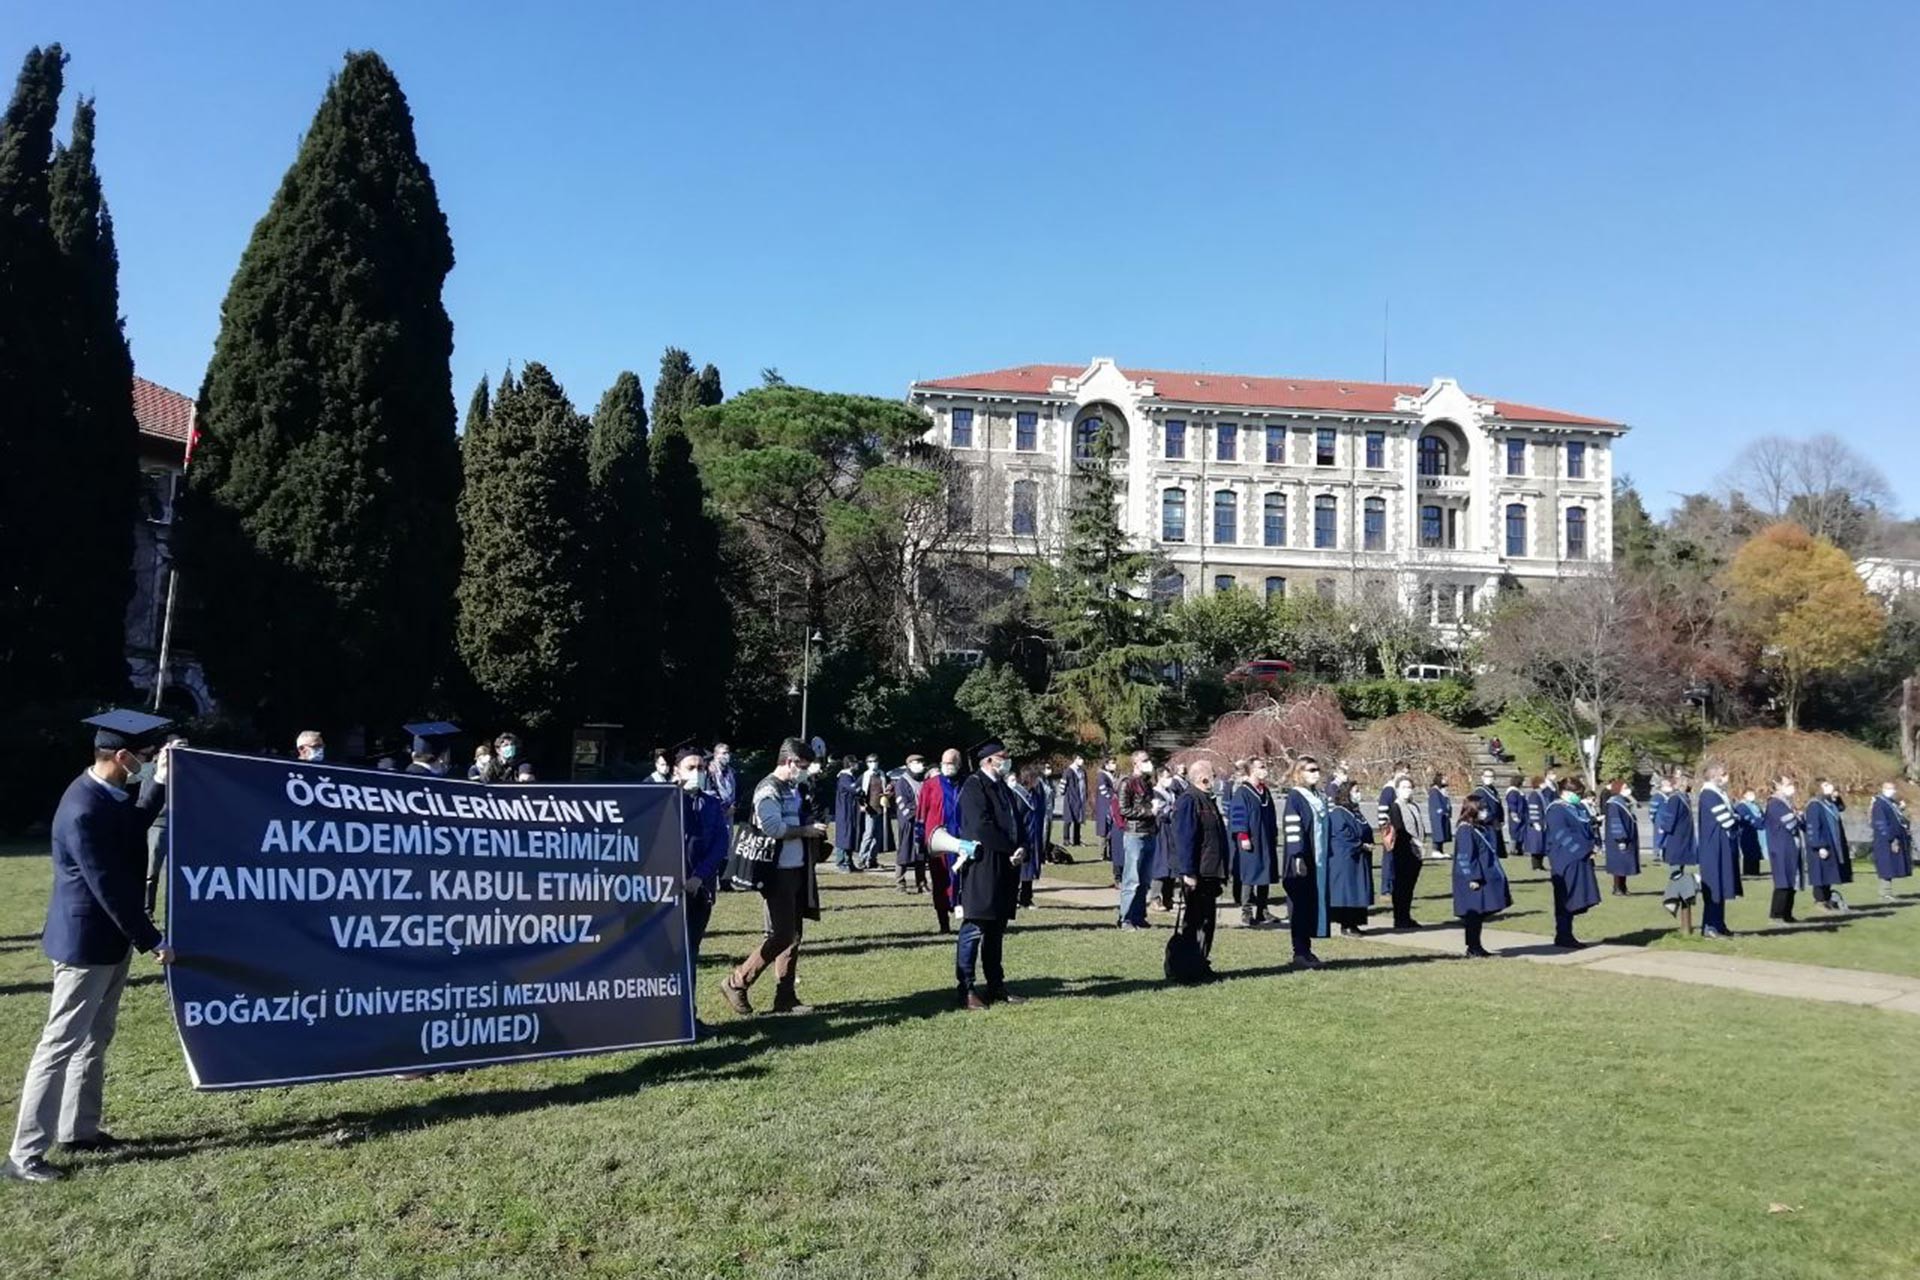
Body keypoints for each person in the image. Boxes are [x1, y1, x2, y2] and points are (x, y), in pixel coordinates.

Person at [6, 710, 177, 1184]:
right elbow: (109, 889)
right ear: (120, 757)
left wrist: (159, 780)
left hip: (110, 940)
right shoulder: (83, 808)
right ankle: (24, 1154)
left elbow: (134, 821)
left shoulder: (108, 794)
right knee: (59, 1044)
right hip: (86, 944)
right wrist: (153, 940)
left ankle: (79, 1129)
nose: (145, 763)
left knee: (96, 1036)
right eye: (143, 758)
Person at [718, 739, 826, 1017]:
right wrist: (806, 830)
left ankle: (785, 996)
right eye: (802, 766)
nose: (804, 771)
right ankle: (737, 981)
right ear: (789, 762)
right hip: (776, 873)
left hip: (796, 869)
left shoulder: (793, 788)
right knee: (781, 935)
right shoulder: (768, 789)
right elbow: (773, 828)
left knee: (794, 935)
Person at [954, 739, 1026, 1009]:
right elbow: (981, 826)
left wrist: (1022, 847)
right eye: (1002, 757)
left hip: (1007, 864)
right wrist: (1009, 848)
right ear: (988, 761)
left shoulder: (1003, 787)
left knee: (996, 929)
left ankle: (996, 984)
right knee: (975, 927)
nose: (1006, 761)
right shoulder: (974, 786)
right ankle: (967, 988)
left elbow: (1016, 820)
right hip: (983, 864)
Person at [672, 744, 730, 992]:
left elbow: (720, 844)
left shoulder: (711, 804)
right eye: (691, 768)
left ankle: (690, 1014)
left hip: (700, 889)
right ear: (677, 771)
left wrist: (699, 877)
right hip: (670, 890)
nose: (697, 772)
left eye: (701, 768)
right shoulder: (665, 802)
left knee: (691, 951)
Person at [1169, 758, 1230, 967]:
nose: (1216, 779)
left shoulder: (1207, 800)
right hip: (1199, 872)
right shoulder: (1189, 800)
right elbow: (1184, 838)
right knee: (1195, 921)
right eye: (1214, 775)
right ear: (1203, 777)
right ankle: (1188, 964)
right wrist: (1188, 872)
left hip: (1211, 872)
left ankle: (1200, 963)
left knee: (1207, 922)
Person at [1279, 756, 1332, 967]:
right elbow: (1292, 827)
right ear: (1299, 772)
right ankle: (1299, 951)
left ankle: (1307, 949)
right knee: (1300, 904)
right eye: (1311, 770)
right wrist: (1297, 855)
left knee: (1311, 903)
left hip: (1317, 859)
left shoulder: (1318, 795)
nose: (1316, 773)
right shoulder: (1296, 796)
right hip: (1300, 859)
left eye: (1317, 769)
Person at [1544, 778, 1602, 948]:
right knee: (1565, 898)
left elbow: (1584, 827)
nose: (1579, 797)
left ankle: (1567, 933)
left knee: (1576, 896)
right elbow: (1562, 835)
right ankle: (1563, 934)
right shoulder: (1556, 810)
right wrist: (1584, 849)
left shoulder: (1575, 808)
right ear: (1566, 793)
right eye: (1577, 794)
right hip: (1565, 858)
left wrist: (1593, 845)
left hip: (1579, 858)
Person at [1452, 794, 1511, 958]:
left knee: (1481, 912)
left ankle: (1476, 945)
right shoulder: (1465, 830)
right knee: (1474, 914)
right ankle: (1472, 947)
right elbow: (1465, 856)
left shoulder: (1476, 828)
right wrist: (1473, 877)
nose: (1485, 812)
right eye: (1482, 808)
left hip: (1483, 876)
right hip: (1472, 879)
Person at [915, 748, 964, 931]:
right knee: (940, 881)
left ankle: (965, 918)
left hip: (960, 842)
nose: (946, 767)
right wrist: (920, 839)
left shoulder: (966, 784)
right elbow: (921, 814)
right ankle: (944, 923)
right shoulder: (931, 785)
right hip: (938, 843)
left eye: (950, 763)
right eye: (944, 763)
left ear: (958, 764)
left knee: (962, 880)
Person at [140, 730, 188, 914]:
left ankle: (178, 913)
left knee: (181, 874)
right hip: (158, 824)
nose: (183, 750)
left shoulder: (190, 771)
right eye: (178, 746)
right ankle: (146, 911)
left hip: (182, 826)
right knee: (151, 872)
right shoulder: (151, 769)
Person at [1228, 757, 1279, 928]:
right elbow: (1238, 815)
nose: (1264, 770)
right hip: (1250, 838)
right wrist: (1243, 836)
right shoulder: (1242, 792)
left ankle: (1262, 910)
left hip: (1265, 838)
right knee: (1250, 874)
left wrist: (1274, 834)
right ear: (1251, 770)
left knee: (1265, 872)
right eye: (1261, 767)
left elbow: (1271, 815)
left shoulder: (1265, 791)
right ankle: (1246, 911)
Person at [1694, 760, 1742, 937]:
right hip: (1713, 847)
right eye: (1724, 774)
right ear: (1715, 776)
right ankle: (1709, 926)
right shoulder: (1709, 794)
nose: (1726, 777)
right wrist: (1736, 818)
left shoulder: (1718, 794)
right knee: (1713, 887)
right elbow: (1728, 820)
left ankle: (1719, 923)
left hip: (1721, 845)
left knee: (1721, 886)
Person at [1116, 750, 1160, 930]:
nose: (1148, 763)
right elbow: (1124, 810)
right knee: (1131, 879)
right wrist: (1149, 812)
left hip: (1149, 833)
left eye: (1149, 760)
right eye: (1144, 760)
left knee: (1144, 880)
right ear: (1135, 763)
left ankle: (1139, 915)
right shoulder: (1127, 783)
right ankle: (1125, 918)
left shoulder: (1147, 784)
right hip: (1134, 834)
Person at [1326, 781, 1374, 937]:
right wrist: (1361, 845)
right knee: (1347, 892)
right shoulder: (1338, 813)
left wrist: (1369, 842)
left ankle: (1355, 923)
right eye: (1355, 791)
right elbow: (1343, 835)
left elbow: (1365, 829)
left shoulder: (1356, 811)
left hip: (1359, 858)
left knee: (1358, 890)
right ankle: (1346, 925)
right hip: (1345, 859)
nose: (1358, 794)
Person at [1804, 779, 1853, 912]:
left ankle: (1827, 899)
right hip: (1821, 844)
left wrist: (1837, 797)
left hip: (1833, 843)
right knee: (1820, 874)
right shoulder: (1814, 805)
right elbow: (1813, 827)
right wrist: (1819, 846)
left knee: (1828, 874)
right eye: (1825, 785)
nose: (1830, 787)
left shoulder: (1829, 802)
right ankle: (1819, 900)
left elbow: (1841, 808)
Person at [1385, 774, 1426, 929]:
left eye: (1409, 787)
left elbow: (1419, 825)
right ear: (1397, 790)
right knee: (1401, 886)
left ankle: (1406, 916)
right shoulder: (1396, 806)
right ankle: (1399, 917)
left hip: (1416, 851)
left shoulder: (1414, 806)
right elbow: (1399, 828)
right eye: (1404, 787)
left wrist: (1421, 842)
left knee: (1409, 886)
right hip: (1403, 851)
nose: (1407, 791)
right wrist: (1413, 841)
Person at [1764, 773, 1804, 925]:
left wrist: (1797, 816)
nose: (1791, 787)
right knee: (1782, 881)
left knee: (1792, 879)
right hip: (1780, 847)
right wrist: (1796, 816)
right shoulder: (1775, 803)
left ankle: (1787, 913)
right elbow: (1791, 823)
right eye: (1787, 784)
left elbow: (1798, 819)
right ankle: (1776, 914)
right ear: (1778, 786)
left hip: (1790, 846)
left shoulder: (1787, 803)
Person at [1010, 763, 1045, 908]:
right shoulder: (1016, 794)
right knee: (1018, 869)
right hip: (1021, 837)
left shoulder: (1036, 794)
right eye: (1036, 778)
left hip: (1033, 836)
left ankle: (1026, 898)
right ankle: (1012, 898)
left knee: (1029, 869)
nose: (1038, 781)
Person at [1870, 782, 1912, 901]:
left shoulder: (1891, 803)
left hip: (1894, 837)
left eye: (1893, 789)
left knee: (1891, 866)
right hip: (1885, 841)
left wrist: (1901, 808)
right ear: (1884, 789)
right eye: (1890, 789)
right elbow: (1881, 823)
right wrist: (1891, 838)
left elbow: (1898, 818)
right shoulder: (1879, 803)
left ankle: (1887, 892)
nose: (1893, 791)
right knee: (1886, 867)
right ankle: (1884, 893)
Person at [892, 755, 927, 894]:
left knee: (921, 853)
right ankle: (900, 883)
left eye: (921, 762)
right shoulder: (902, 782)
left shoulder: (924, 780)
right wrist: (918, 811)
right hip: (908, 822)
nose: (920, 765)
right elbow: (902, 803)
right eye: (916, 762)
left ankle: (921, 883)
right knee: (905, 852)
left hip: (922, 822)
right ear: (909, 764)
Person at [1603, 779, 1640, 896]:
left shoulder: (1622, 801)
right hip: (1618, 840)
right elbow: (1616, 821)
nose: (1627, 790)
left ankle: (1623, 887)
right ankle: (1617, 888)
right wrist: (1620, 838)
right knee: (1618, 864)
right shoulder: (1614, 803)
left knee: (1624, 864)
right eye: (1624, 788)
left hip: (1627, 837)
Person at [1654, 772, 1697, 870]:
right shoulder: (1675, 798)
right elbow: (1670, 816)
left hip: (1684, 833)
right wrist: (1664, 828)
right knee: (1676, 861)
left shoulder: (1684, 797)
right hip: (1676, 834)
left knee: (1681, 860)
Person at [831, 756, 861, 871]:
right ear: (850, 764)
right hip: (844, 810)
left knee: (850, 835)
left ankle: (849, 861)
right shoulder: (845, 777)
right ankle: (841, 861)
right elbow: (855, 789)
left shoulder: (850, 776)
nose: (857, 765)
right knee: (844, 835)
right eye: (855, 763)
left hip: (850, 810)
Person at [1471, 769, 1507, 860]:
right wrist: (1490, 818)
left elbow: (1498, 806)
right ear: (1482, 778)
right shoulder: (1480, 791)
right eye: (1487, 776)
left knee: (1495, 850)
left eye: (1491, 776)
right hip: (1486, 825)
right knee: (1488, 849)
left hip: (1495, 824)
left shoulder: (1493, 791)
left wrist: (1501, 819)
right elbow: (1481, 808)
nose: (1489, 778)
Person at [1734, 789, 1767, 878]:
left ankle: (1756, 871)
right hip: (1746, 833)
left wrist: (1761, 822)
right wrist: (1757, 822)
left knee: (1756, 852)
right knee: (1749, 852)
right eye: (1749, 794)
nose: (1752, 796)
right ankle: (1748, 872)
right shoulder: (1741, 806)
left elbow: (1763, 816)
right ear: (1744, 795)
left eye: (1753, 793)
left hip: (1757, 832)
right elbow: (1746, 819)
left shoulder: (1756, 806)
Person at [1062, 754, 1087, 847]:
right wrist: (1065, 793)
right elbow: (1063, 785)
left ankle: (1077, 840)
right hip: (1070, 797)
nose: (1082, 760)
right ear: (1075, 759)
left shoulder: (1082, 771)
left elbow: (1085, 784)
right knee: (1068, 819)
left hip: (1080, 798)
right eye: (1080, 758)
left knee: (1078, 819)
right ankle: (1066, 839)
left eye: (1082, 758)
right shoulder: (1069, 771)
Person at [1427, 774, 1454, 857]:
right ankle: (1435, 850)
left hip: (1443, 815)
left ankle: (1440, 851)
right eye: (1443, 779)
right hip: (1437, 816)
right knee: (1438, 832)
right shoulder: (1434, 791)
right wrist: (1441, 811)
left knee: (1443, 833)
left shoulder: (1442, 790)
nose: (1445, 780)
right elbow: (1436, 804)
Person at [1503, 776, 1528, 862]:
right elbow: (1512, 804)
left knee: (1520, 832)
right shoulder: (1512, 792)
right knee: (1515, 833)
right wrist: (1514, 814)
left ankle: (1519, 849)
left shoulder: (1518, 791)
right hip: (1516, 815)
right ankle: (1512, 849)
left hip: (1522, 815)